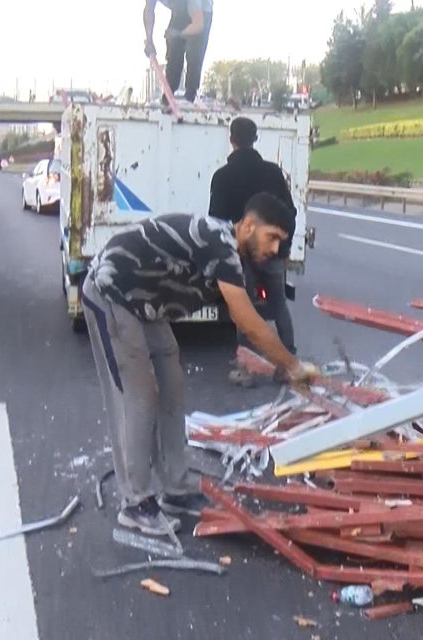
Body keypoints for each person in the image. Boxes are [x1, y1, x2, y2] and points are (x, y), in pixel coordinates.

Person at [82, 195, 317, 536]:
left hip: (146, 305)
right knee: (139, 396)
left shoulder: (234, 257)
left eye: (282, 241)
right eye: (272, 237)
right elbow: (249, 323)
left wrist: (277, 360)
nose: (276, 248)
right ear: (248, 226)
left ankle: (176, 489)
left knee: (172, 385)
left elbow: (245, 316)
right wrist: (293, 366)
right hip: (112, 291)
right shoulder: (219, 241)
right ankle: (135, 503)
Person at [208, 117, 297, 386]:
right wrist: (284, 245)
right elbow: (289, 211)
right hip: (272, 253)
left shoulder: (222, 177)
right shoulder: (273, 172)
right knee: (279, 305)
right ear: (255, 139)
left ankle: (246, 369)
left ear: (232, 139)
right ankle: (288, 365)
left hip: (242, 254)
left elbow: (217, 220)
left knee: (243, 308)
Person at [143, 0, 214, 104]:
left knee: (194, 54)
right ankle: (168, 96)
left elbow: (198, 25)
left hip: (202, 12)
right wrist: (149, 39)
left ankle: (191, 96)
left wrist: (178, 34)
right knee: (173, 51)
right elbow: (149, 9)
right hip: (180, 11)